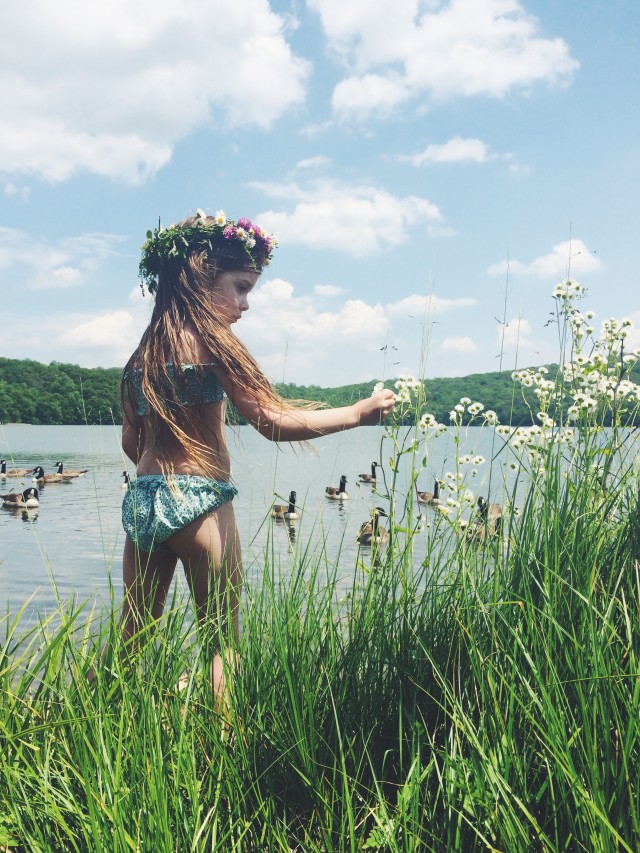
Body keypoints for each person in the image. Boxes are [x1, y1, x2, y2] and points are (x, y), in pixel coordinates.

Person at [118, 208, 396, 706]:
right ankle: (224, 761)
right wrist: (358, 413)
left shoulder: (141, 356)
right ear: (202, 276)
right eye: (241, 287)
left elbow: (129, 443)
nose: (246, 304)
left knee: (133, 635)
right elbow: (270, 421)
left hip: (142, 504)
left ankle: (94, 725)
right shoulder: (215, 342)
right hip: (199, 501)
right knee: (223, 646)